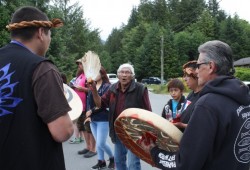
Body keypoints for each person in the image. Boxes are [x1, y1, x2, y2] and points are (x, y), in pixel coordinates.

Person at [141, 40, 250, 170]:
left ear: (211, 66)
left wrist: (153, 152)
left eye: (198, 65)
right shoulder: (244, 96)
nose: (196, 71)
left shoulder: (208, 104)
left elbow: (185, 164)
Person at [0, 6, 74, 170]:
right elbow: (62, 132)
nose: (50, 40)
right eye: (50, 35)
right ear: (41, 33)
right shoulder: (42, 68)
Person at [89, 63, 152, 170]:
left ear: (132, 76)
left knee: (133, 163)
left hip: (134, 132)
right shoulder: (113, 88)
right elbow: (100, 104)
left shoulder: (140, 89)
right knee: (119, 161)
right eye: (122, 72)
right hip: (118, 130)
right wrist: (94, 90)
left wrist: (146, 133)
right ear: (118, 75)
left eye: (127, 72)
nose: (124, 75)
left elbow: (148, 112)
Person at [85, 66, 114, 169]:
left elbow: (103, 104)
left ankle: (112, 158)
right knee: (98, 142)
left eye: (96, 73)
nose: (93, 75)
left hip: (103, 118)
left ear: (102, 74)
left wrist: (91, 111)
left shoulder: (107, 87)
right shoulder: (91, 86)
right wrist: (88, 114)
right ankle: (101, 161)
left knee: (101, 143)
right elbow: (89, 102)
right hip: (93, 119)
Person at [174, 60, 203, 131]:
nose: (184, 79)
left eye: (187, 75)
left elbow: (202, 126)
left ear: (196, 75)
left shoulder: (203, 97)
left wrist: (182, 125)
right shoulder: (191, 94)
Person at [69, 60, 87, 144]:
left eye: (81, 64)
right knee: (78, 121)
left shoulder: (88, 76)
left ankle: (78, 138)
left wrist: (83, 89)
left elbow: (92, 90)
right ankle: (80, 137)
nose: (79, 65)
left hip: (84, 103)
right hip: (77, 102)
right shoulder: (80, 75)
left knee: (77, 121)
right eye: (78, 64)